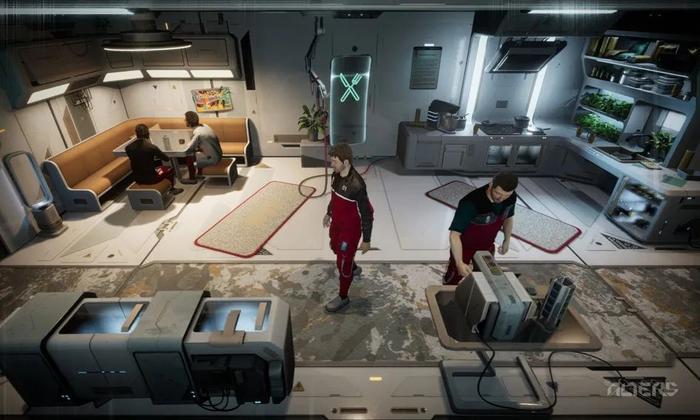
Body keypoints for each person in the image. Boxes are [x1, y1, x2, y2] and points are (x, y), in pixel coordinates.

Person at [322, 144, 374, 312]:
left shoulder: (357, 185)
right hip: (336, 225)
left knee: (342, 262)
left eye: (335, 162)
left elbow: (368, 214)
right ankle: (354, 267)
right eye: (331, 161)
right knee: (334, 247)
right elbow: (334, 198)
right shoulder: (335, 176)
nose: (332, 165)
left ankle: (343, 297)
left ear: (345, 162)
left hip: (350, 232)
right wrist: (329, 213)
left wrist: (366, 240)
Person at [443, 172, 518, 285]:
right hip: (464, 248)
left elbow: (508, 217)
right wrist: (459, 262)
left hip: (487, 247)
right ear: (491, 185)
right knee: (454, 276)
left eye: (506, 195)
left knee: (485, 276)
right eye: (498, 193)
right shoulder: (470, 203)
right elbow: (454, 235)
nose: (501, 198)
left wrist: (507, 240)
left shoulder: (511, 197)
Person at [125, 124, 184, 195]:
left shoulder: (128, 148)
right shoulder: (152, 147)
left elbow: (139, 158)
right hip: (152, 179)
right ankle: (172, 189)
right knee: (169, 169)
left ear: (136, 134)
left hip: (137, 178)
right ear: (148, 134)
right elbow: (166, 159)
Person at [182, 111, 223, 182]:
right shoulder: (204, 125)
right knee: (197, 151)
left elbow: (188, 148)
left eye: (185, 120)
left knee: (189, 156)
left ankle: (192, 179)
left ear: (189, 122)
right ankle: (199, 174)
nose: (184, 121)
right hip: (218, 154)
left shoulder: (198, 133)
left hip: (213, 159)